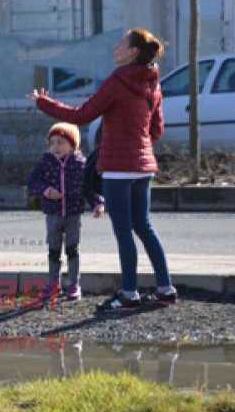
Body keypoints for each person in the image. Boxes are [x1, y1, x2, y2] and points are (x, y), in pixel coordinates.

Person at [29, 29, 177, 312]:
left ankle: (129, 293)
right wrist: (137, 146)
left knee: (123, 232)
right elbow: (156, 130)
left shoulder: (118, 80)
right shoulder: (153, 83)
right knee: (144, 227)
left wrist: (43, 103)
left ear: (133, 51)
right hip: (143, 167)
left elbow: (82, 115)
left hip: (118, 169)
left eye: (121, 44)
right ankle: (165, 288)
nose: (115, 48)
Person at [27, 122, 105, 304]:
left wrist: (98, 203)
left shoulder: (81, 164)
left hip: (73, 214)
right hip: (52, 214)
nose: (56, 147)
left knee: (72, 249)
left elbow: (90, 187)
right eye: (52, 143)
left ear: (73, 145)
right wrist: (46, 191)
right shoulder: (45, 162)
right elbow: (33, 182)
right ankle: (53, 284)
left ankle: (73, 284)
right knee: (53, 250)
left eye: (61, 142)